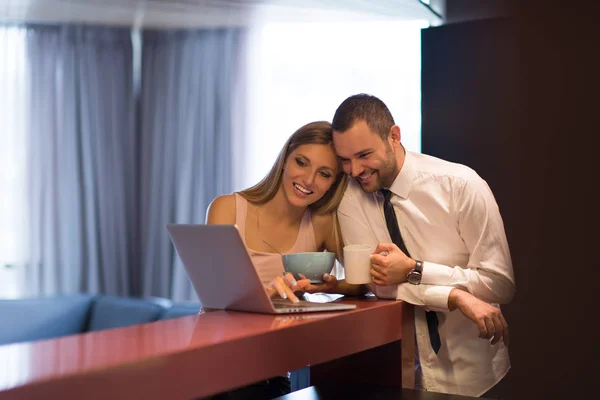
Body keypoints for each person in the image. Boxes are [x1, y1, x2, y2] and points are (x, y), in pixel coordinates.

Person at [310, 94, 515, 398]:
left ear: (394, 136)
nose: (354, 170)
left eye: (364, 154)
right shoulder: (351, 200)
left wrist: (415, 270)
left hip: (477, 377)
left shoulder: (461, 186)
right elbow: (377, 284)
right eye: (345, 160)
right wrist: (454, 296)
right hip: (402, 375)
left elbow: (499, 285)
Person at [205, 120, 351, 399]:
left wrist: (325, 287)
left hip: (268, 375)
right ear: (285, 159)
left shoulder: (320, 223)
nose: (308, 180)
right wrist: (264, 297)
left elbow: (360, 282)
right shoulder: (227, 208)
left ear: (334, 183)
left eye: (324, 173)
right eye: (301, 162)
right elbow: (215, 300)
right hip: (212, 364)